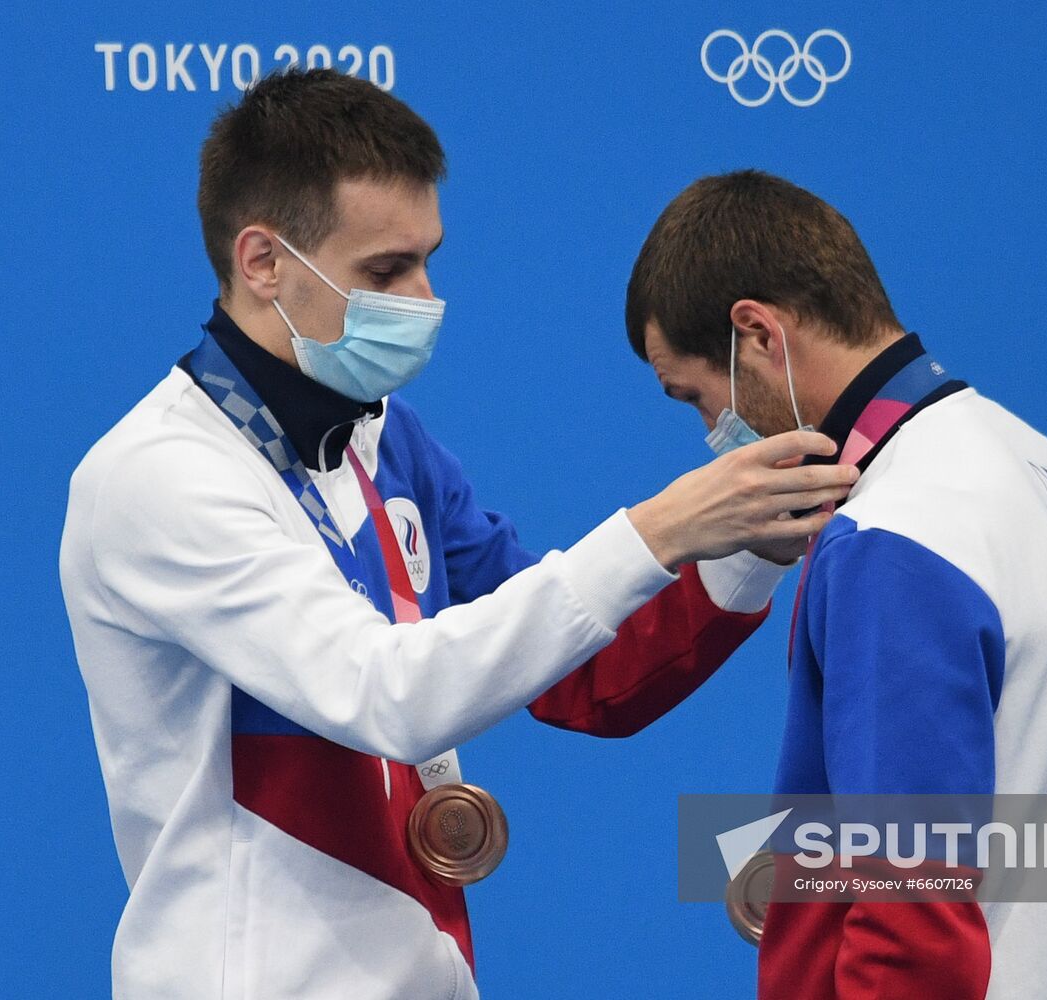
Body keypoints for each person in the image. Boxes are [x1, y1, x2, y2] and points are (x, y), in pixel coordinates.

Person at [58, 71, 859, 1000]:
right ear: (263, 262)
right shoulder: (161, 477)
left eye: (429, 260)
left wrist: (751, 545)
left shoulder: (382, 434)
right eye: (387, 272)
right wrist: (663, 524)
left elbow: (581, 671)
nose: (426, 298)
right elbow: (387, 695)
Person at [625, 170, 1047, 998]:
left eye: (697, 396)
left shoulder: (896, 536)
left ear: (756, 333)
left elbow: (913, 923)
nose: (711, 434)